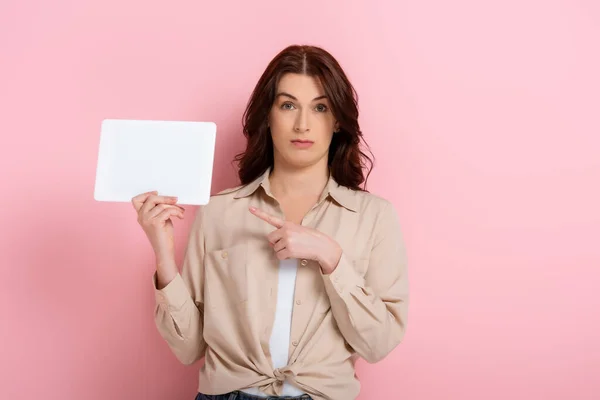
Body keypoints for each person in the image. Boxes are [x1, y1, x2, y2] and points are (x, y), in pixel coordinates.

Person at [131, 44, 409, 400]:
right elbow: (189, 348)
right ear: (268, 115)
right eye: (288, 105)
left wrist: (331, 258)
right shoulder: (219, 212)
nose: (303, 124)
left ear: (337, 119)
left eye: (320, 107)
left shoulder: (374, 218)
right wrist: (164, 255)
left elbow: (379, 344)